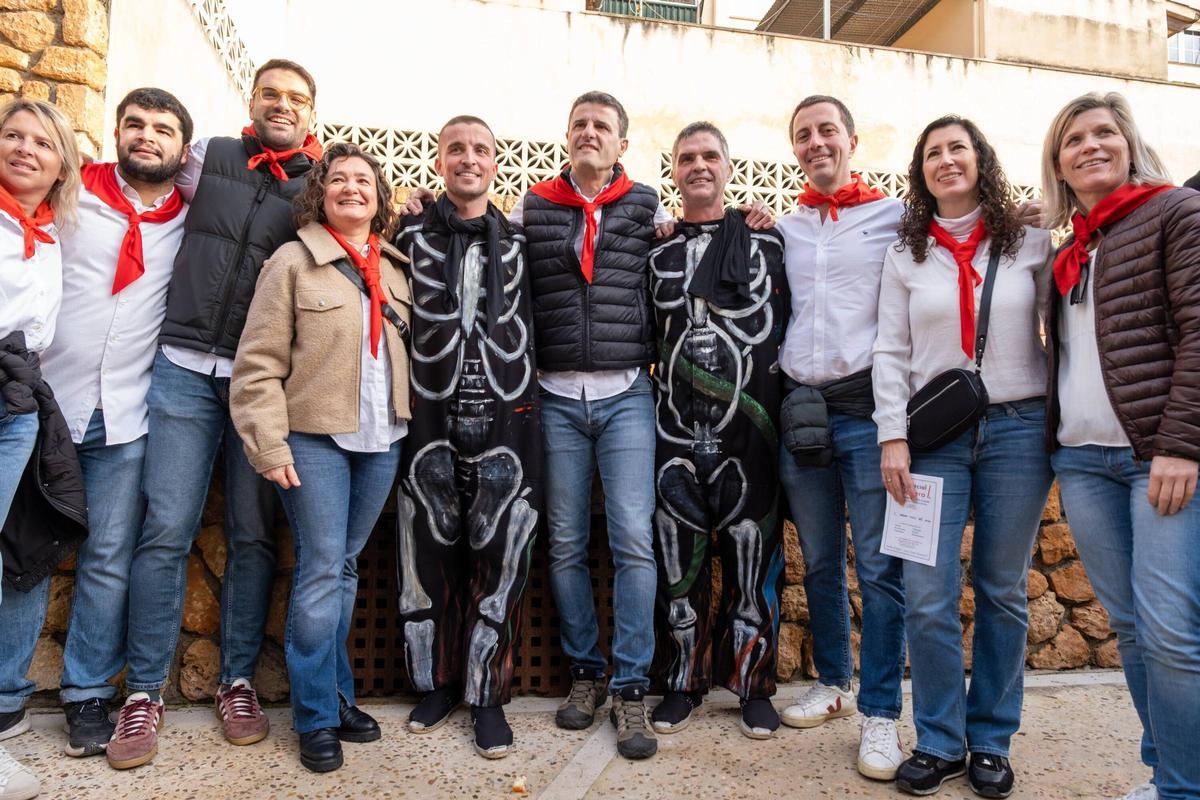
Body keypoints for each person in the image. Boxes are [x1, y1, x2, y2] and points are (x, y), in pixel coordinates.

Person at [109, 59, 322, 769]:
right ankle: (143, 693)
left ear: (311, 112)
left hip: (261, 383)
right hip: (181, 370)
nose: (282, 105)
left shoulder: (317, 185)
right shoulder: (209, 157)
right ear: (252, 100)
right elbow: (135, 176)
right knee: (165, 529)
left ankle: (237, 682)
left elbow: (362, 225)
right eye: (271, 94)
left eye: (296, 98)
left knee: (253, 533)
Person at [0, 87, 192, 770]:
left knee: (108, 558)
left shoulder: (188, 217)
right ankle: (7, 693)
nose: (147, 136)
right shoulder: (73, 197)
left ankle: (86, 694)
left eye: (163, 129)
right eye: (135, 123)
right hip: (42, 407)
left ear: (183, 148)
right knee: (23, 549)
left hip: (126, 415)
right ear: (115, 131)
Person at [874, 115, 1054, 798]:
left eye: (958, 148)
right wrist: (892, 434)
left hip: (1017, 430)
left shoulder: (1029, 240)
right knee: (927, 595)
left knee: (1003, 590)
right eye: (933, 153)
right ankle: (940, 740)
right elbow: (889, 350)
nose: (946, 160)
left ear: (981, 159)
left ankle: (992, 741)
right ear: (921, 172)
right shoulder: (906, 252)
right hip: (932, 439)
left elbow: (1062, 329)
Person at [231, 143, 411, 773]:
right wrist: (268, 443)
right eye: (339, 180)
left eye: (364, 180)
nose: (352, 188)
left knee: (343, 568)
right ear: (320, 193)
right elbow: (257, 364)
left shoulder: (394, 268)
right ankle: (314, 716)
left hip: (382, 438)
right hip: (315, 439)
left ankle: (336, 696)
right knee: (320, 570)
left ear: (380, 197)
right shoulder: (292, 262)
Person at [1040, 91, 1200, 800]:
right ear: (1058, 163)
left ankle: (1185, 787)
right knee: (1132, 628)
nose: (1091, 146)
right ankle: (1168, 775)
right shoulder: (1073, 248)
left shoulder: (1175, 213)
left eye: (1104, 132)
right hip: (1081, 460)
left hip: (1155, 460)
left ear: (1130, 144)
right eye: (1074, 140)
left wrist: (1182, 445)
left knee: (1170, 631)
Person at [392, 115, 541, 759]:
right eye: (456, 149)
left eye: (480, 149)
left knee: (500, 553)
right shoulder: (407, 234)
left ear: (495, 163)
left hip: (509, 414)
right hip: (426, 411)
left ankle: (487, 695)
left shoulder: (523, 241)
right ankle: (436, 685)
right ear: (440, 161)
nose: (468, 159)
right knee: (425, 548)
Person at [773, 94, 908, 781]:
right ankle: (834, 683)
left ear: (853, 139)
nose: (816, 142)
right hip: (803, 411)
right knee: (821, 560)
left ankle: (880, 714)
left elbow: (963, 238)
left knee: (880, 567)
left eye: (827, 130)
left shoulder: (896, 217)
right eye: (804, 134)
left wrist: (1024, 218)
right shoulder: (785, 227)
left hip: (868, 411)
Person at [646, 122, 787, 740]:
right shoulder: (655, 252)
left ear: (729, 167)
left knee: (754, 562)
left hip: (752, 428)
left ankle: (754, 687)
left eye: (710, 156)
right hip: (673, 429)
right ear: (674, 171)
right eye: (687, 158)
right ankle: (681, 684)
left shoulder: (769, 244)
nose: (698, 165)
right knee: (678, 565)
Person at [0, 98, 83, 800]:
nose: (25, 150)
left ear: (62, 166)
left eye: (42, 143)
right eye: (13, 136)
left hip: (21, 402)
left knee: (23, 549)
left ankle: (4, 699)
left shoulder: (51, 233)